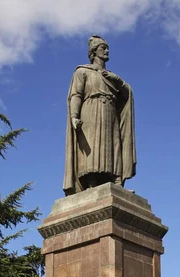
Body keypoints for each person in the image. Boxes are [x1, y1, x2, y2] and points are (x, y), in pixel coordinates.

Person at [63, 35, 136, 195]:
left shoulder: (112, 77)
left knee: (115, 145)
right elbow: (76, 94)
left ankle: (117, 182)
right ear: (94, 51)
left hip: (110, 112)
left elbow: (126, 95)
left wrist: (120, 82)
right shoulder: (82, 71)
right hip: (91, 110)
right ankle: (91, 181)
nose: (107, 51)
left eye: (107, 48)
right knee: (93, 145)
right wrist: (74, 116)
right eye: (104, 48)